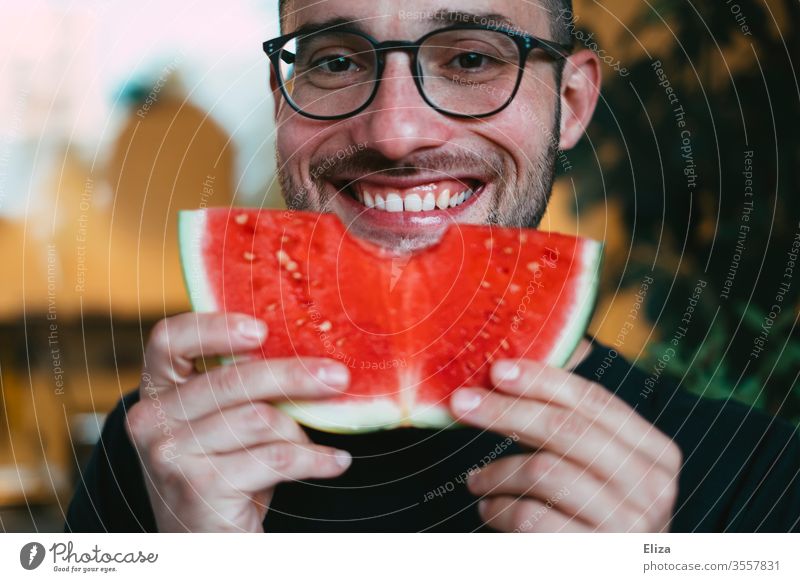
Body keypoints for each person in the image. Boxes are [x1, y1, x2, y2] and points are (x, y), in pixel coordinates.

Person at [65, 0, 800, 532]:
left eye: (471, 58)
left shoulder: (760, 477)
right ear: (281, 101)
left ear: (570, 104)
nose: (395, 131)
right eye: (337, 61)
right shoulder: (163, 452)